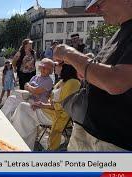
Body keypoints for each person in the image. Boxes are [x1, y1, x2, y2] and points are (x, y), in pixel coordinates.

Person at [53, 0, 132, 151]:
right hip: (88, 128)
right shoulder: (121, 30)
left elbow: (116, 81)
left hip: (113, 142)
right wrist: (89, 67)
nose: (96, 10)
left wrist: (69, 53)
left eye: (100, 2)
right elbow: (110, 71)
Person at [10, 64, 80, 150]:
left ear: (65, 67)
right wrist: (41, 103)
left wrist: (42, 104)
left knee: (23, 108)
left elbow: (62, 105)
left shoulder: (73, 83)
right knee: (24, 111)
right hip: (49, 111)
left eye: (57, 64)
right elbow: (52, 99)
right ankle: (22, 143)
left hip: (56, 116)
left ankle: (18, 140)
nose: (55, 66)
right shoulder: (62, 81)